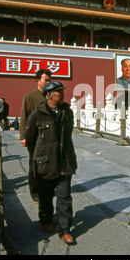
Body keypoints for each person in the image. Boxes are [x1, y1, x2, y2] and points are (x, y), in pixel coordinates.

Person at [24, 81, 77, 244]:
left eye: (62, 91)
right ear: (49, 95)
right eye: (59, 92)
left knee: (65, 197)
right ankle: (46, 220)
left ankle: (65, 229)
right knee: (46, 197)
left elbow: (68, 134)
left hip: (64, 161)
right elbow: (30, 139)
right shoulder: (37, 114)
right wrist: (41, 155)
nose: (62, 94)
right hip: (45, 163)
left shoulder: (67, 111)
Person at [19, 69, 52, 203]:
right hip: (35, 137)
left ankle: (46, 188)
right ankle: (35, 191)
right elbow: (23, 117)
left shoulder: (51, 96)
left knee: (49, 164)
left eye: (50, 80)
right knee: (35, 165)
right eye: (46, 80)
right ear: (38, 81)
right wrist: (23, 136)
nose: (48, 82)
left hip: (49, 137)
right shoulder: (29, 97)